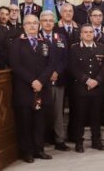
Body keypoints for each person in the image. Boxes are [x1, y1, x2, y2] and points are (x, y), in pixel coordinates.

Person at [9, 14, 54, 163]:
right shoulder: (17, 43)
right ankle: (26, 152)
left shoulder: (46, 42)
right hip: (24, 89)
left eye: (35, 23)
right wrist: (32, 81)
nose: (32, 26)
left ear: (39, 25)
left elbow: (50, 65)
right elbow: (16, 65)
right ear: (24, 26)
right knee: (25, 122)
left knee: (40, 122)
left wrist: (40, 81)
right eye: (29, 23)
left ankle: (39, 149)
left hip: (42, 88)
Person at [68, 24, 104, 152]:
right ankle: (79, 142)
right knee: (79, 116)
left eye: (91, 32)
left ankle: (96, 141)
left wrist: (97, 81)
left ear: (94, 34)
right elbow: (72, 68)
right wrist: (86, 80)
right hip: (81, 88)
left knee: (96, 116)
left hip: (98, 88)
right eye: (85, 32)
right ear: (80, 34)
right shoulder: (74, 49)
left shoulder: (102, 48)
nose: (88, 34)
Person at [39, 10, 70, 152]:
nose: (48, 23)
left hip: (58, 80)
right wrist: (47, 75)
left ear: (54, 22)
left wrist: (57, 72)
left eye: (50, 20)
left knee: (58, 112)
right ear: (40, 22)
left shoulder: (61, 37)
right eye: (45, 20)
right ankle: (41, 140)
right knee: (40, 112)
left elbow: (65, 58)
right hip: (41, 83)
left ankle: (59, 140)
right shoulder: (35, 37)